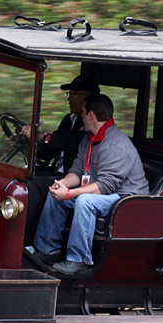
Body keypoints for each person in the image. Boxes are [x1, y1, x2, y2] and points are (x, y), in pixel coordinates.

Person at [29, 93, 149, 276]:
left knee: (85, 201)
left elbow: (105, 186)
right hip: (107, 192)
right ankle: (47, 251)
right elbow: (77, 170)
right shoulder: (88, 138)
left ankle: (79, 260)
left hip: (127, 198)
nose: (81, 117)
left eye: (83, 113)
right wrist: (61, 185)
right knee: (56, 195)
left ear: (91, 115)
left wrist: (69, 194)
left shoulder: (116, 144)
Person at [18, 75, 99, 245]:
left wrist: (44, 136)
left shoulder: (91, 124)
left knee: (35, 184)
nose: (69, 98)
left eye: (75, 94)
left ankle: (24, 241)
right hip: (58, 170)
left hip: (74, 177)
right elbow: (52, 151)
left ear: (88, 98)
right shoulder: (68, 119)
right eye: (69, 94)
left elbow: (71, 143)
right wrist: (28, 142)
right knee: (22, 174)